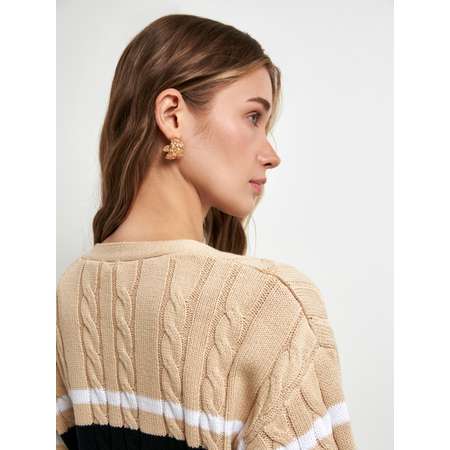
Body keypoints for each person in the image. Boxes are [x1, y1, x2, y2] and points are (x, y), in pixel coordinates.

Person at [56, 13, 358, 450]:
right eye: (253, 117)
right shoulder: (269, 303)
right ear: (172, 116)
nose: (271, 154)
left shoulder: (71, 291)